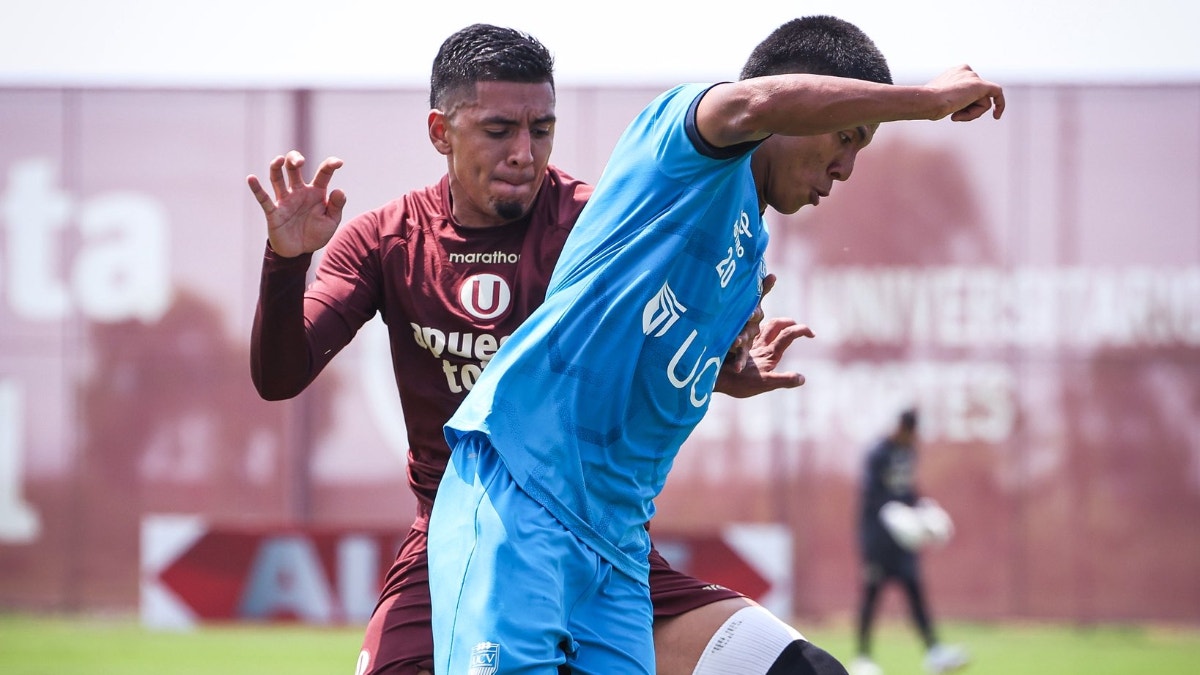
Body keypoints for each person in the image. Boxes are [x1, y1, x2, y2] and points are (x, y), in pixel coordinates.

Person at [429, 14, 1005, 675]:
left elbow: (648, 349)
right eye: (846, 136)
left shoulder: (750, 250)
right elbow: (760, 100)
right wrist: (925, 102)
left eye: (859, 148)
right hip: (522, 492)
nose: (845, 166)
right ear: (793, 101)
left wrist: (722, 371)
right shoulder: (686, 140)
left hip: (614, 548)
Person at [248, 23, 822, 675]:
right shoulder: (385, 238)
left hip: (596, 538)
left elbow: (646, 352)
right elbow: (280, 375)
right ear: (441, 132)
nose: (524, 151)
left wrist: (718, 370)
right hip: (454, 536)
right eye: (499, 130)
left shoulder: (597, 224)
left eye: (541, 129)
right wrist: (286, 261)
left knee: (803, 670)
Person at [852, 408, 967, 675]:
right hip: (878, 539)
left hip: (903, 541)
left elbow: (907, 490)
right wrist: (892, 513)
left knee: (916, 594)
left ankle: (934, 652)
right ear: (900, 428)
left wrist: (924, 509)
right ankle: (863, 658)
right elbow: (871, 496)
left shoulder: (908, 452)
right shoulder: (878, 453)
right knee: (872, 596)